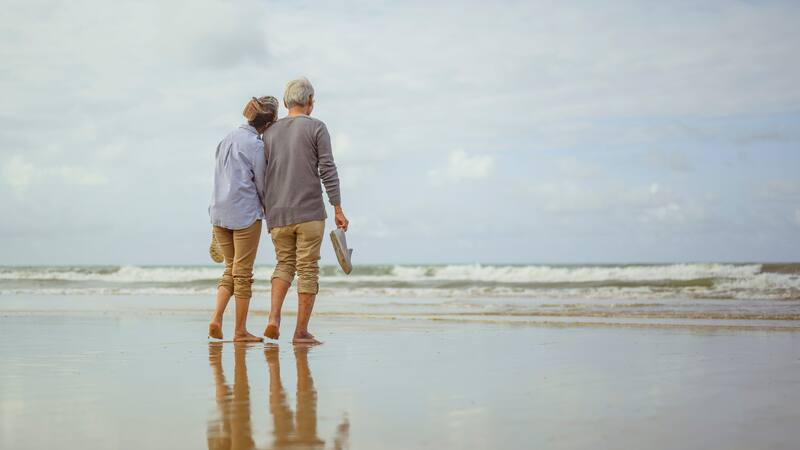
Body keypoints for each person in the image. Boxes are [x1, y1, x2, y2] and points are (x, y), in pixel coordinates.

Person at [262, 77, 349, 344]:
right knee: (307, 269)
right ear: (309, 102)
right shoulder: (317, 128)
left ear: (287, 101)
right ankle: (300, 332)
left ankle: (273, 319)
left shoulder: (268, 132)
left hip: (277, 213)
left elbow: (261, 172)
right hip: (309, 211)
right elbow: (328, 169)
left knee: (284, 264)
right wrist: (337, 207)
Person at [208, 96, 279, 342]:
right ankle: (240, 331)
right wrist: (270, 212)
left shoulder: (227, 138)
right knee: (243, 273)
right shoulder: (255, 145)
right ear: (269, 124)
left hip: (218, 212)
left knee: (230, 269)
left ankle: (216, 319)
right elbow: (261, 183)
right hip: (244, 213)